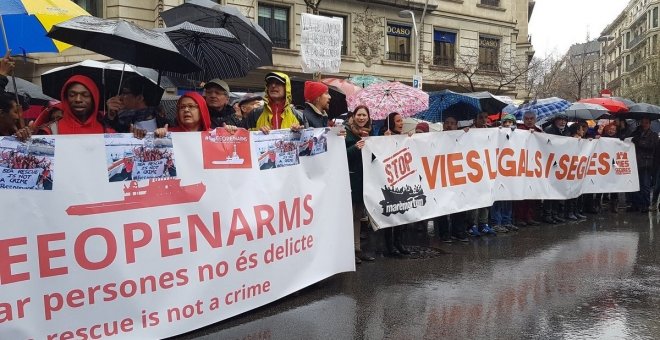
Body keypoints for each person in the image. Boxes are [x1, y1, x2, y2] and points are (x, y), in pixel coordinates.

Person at [345, 105, 375, 264]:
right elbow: (341, 155)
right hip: (350, 180)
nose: (361, 118)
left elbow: (374, 157)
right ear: (353, 116)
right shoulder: (346, 132)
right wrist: (355, 147)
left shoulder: (369, 133)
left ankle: (357, 248)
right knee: (349, 216)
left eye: (364, 115)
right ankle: (347, 250)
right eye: (359, 115)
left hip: (363, 181)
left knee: (358, 216)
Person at [433, 115, 470, 243]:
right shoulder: (436, 138)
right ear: (443, 125)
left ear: (456, 125)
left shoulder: (462, 137)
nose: (449, 125)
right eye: (447, 123)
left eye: (452, 123)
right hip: (441, 176)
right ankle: (444, 233)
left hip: (457, 174)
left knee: (458, 204)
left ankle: (458, 232)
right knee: (442, 205)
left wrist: (465, 134)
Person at [378, 112, 411, 255]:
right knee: (390, 214)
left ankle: (399, 242)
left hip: (401, 179)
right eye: (398, 121)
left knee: (400, 211)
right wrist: (384, 140)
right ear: (391, 122)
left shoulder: (401, 135)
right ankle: (389, 245)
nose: (401, 123)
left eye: (401, 120)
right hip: (388, 180)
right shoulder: (383, 134)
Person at [35, 75, 110, 135]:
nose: (78, 99)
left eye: (85, 95)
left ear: (94, 99)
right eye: (72, 95)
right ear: (65, 98)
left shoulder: (107, 131)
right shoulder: (49, 131)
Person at [468, 112, 496, 236]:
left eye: (486, 117)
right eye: (481, 117)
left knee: (486, 197)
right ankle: (472, 225)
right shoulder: (469, 132)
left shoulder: (491, 131)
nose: (484, 120)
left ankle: (483, 224)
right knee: (474, 199)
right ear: (475, 119)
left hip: (487, 168)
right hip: (473, 169)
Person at [491, 114, 519, 233]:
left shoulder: (518, 135)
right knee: (498, 198)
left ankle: (507, 221)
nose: (508, 124)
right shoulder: (497, 133)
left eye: (510, 122)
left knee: (508, 197)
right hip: (498, 170)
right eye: (505, 122)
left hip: (510, 171)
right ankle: (496, 222)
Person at [629, 117, 657, 213]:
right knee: (635, 185)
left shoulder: (653, 135)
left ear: (649, 124)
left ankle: (645, 205)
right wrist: (636, 130)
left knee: (645, 186)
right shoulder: (637, 132)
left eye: (646, 123)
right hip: (635, 162)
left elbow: (651, 146)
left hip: (646, 164)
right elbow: (629, 137)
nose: (644, 125)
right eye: (642, 123)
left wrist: (639, 142)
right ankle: (636, 204)